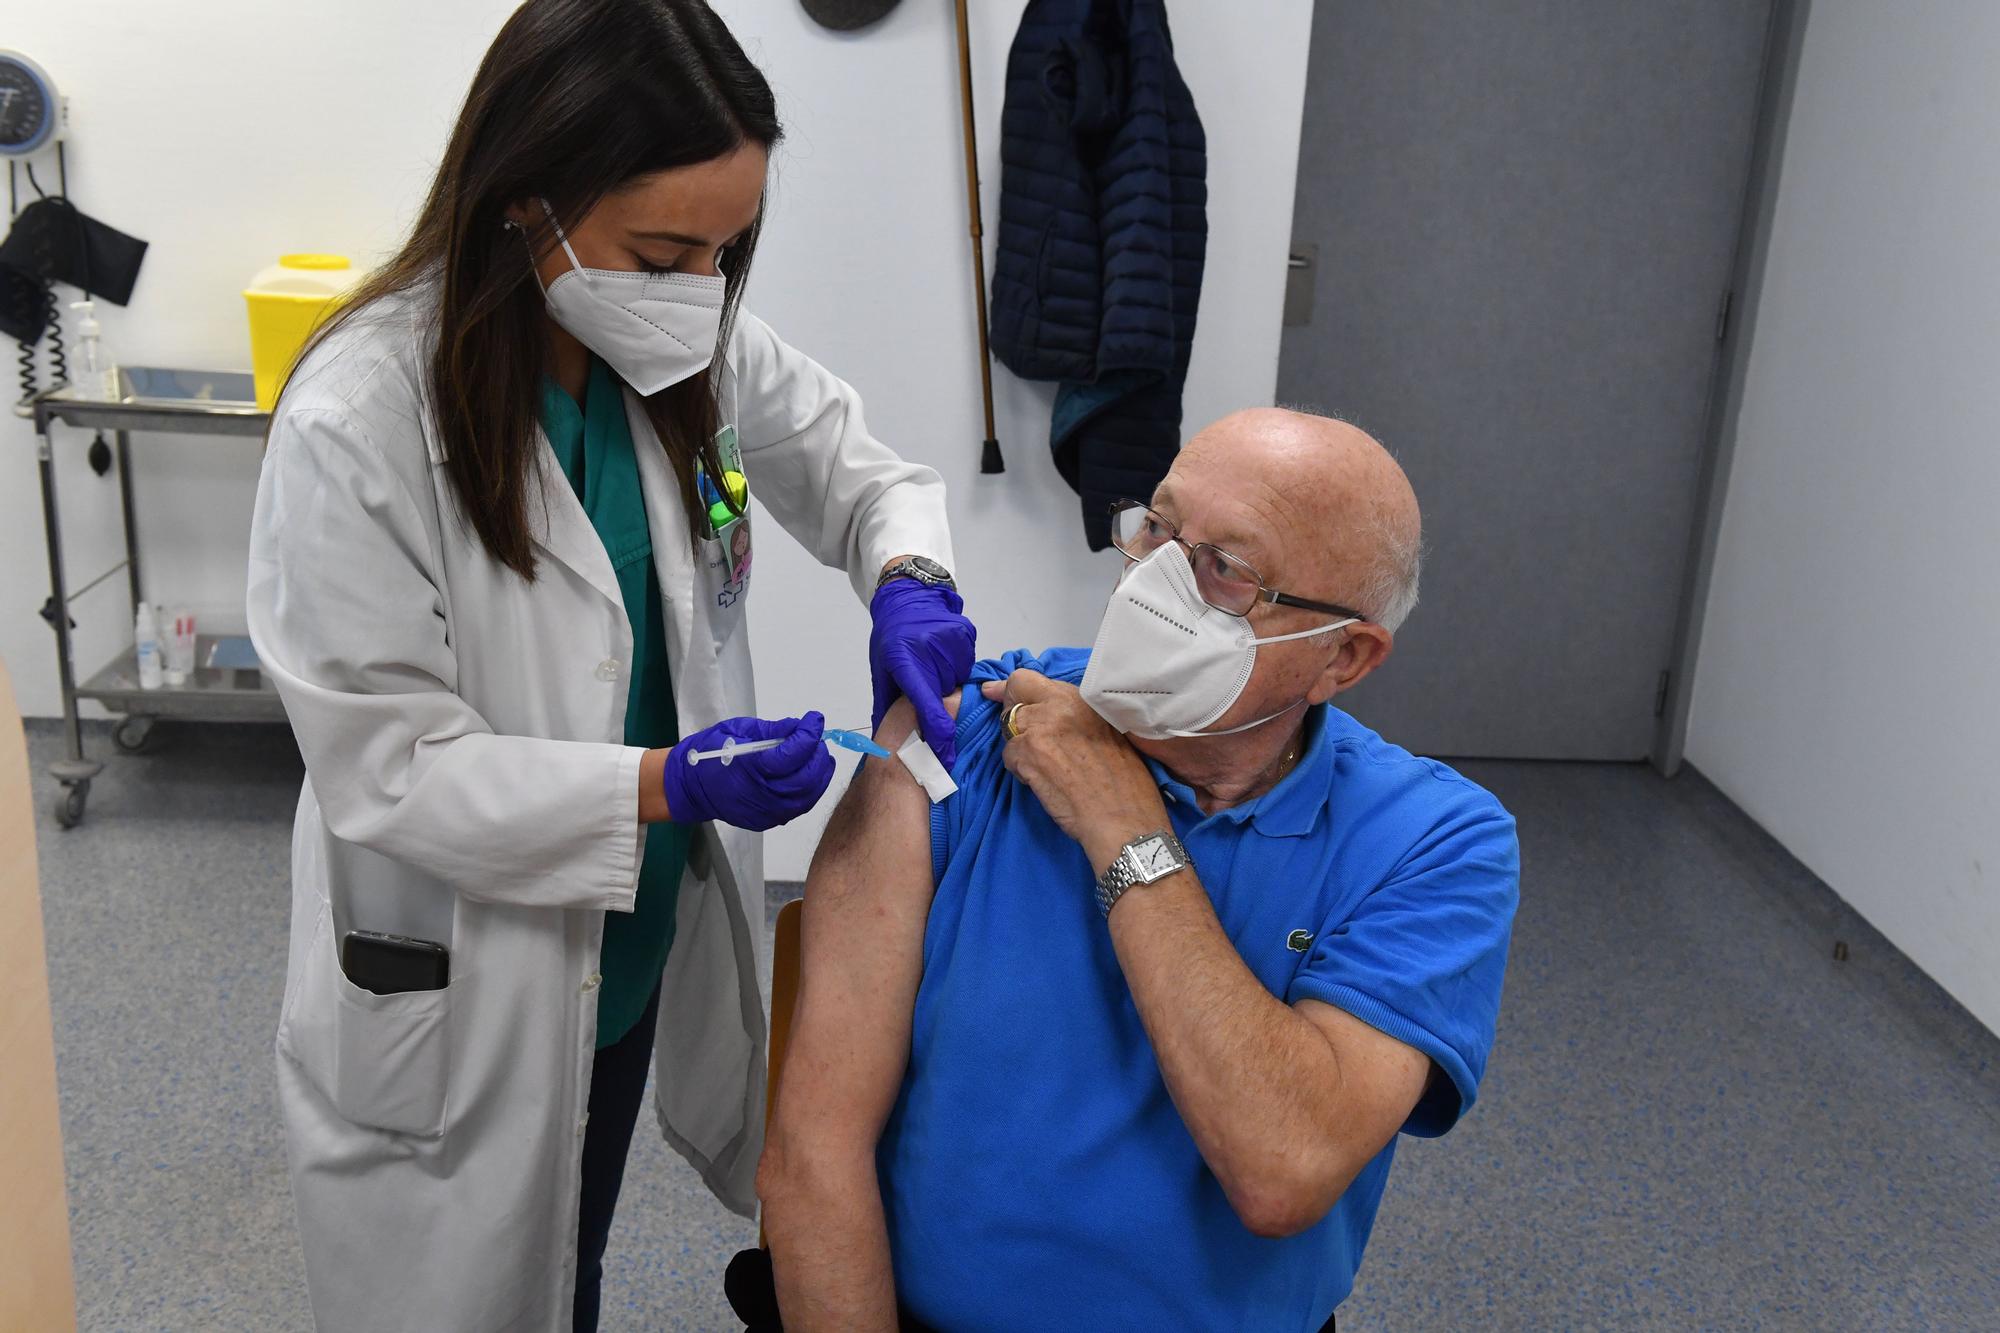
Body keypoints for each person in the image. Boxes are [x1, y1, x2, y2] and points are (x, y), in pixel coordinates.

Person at [244, 2, 975, 1328]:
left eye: (724, 249)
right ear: (529, 203)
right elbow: (391, 767)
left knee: (565, 1253)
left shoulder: (683, 345)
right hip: (458, 974)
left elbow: (864, 474)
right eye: (662, 248)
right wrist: (663, 785)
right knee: (460, 1296)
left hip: (623, 948)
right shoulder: (361, 416)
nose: (698, 285)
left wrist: (909, 586)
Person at [757, 410, 1520, 1330]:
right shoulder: (970, 734)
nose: (1155, 580)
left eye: (1227, 570)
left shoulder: (1432, 841)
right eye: (1158, 527)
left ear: (1343, 657)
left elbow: (1282, 1166)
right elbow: (814, 1151)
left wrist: (1123, 822)